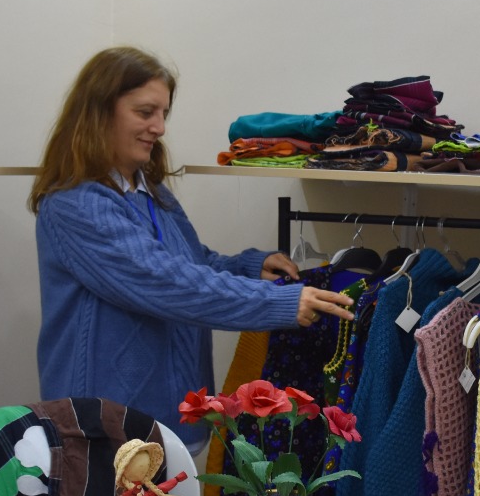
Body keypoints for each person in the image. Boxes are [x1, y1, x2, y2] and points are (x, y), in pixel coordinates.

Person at [32, 46, 354, 450]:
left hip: (164, 422)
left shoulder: (149, 192)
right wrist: (278, 302)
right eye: (145, 112)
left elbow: (190, 263)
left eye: (163, 114)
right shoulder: (76, 204)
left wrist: (249, 268)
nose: (159, 128)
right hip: (103, 434)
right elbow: (165, 282)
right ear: (98, 113)